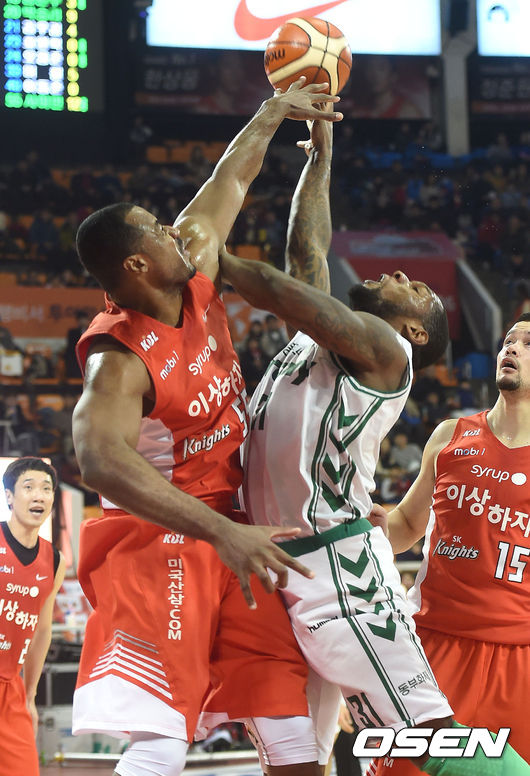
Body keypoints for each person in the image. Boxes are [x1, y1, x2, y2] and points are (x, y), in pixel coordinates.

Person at [220, 115, 529, 775]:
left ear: (415, 331)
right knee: (296, 759)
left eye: (416, 289)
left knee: (435, 742)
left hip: (341, 575)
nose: (398, 272)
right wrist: (320, 159)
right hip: (283, 567)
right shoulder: (319, 339)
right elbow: (305, 255)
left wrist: (200, 255)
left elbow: (277, 289)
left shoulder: (387, 351)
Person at [70, 79, 343, 776]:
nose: (175, 228)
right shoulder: (117, 359)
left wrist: (274, 112)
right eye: (156, 230)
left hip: (236, 528)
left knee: (286, 722)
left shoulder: (191, 259)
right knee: (162, 741)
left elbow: (231, 178)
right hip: (159, 537)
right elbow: (99, 460)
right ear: (137, 265)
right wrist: (219, 530)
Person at [368, 312, 530, 774]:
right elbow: (407, 524)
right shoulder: (450, 436)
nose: (511, 348)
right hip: (432, 645)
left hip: (518, 657)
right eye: (509, 340)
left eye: (528, 344)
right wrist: (373, 527)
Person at [1, 457, 66, 776]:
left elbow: (41, 630)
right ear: (9, 497)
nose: (39, 495)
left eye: (46, 489)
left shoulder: (54, 560)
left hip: (11, 689)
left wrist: (29, 696)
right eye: (28, 487)